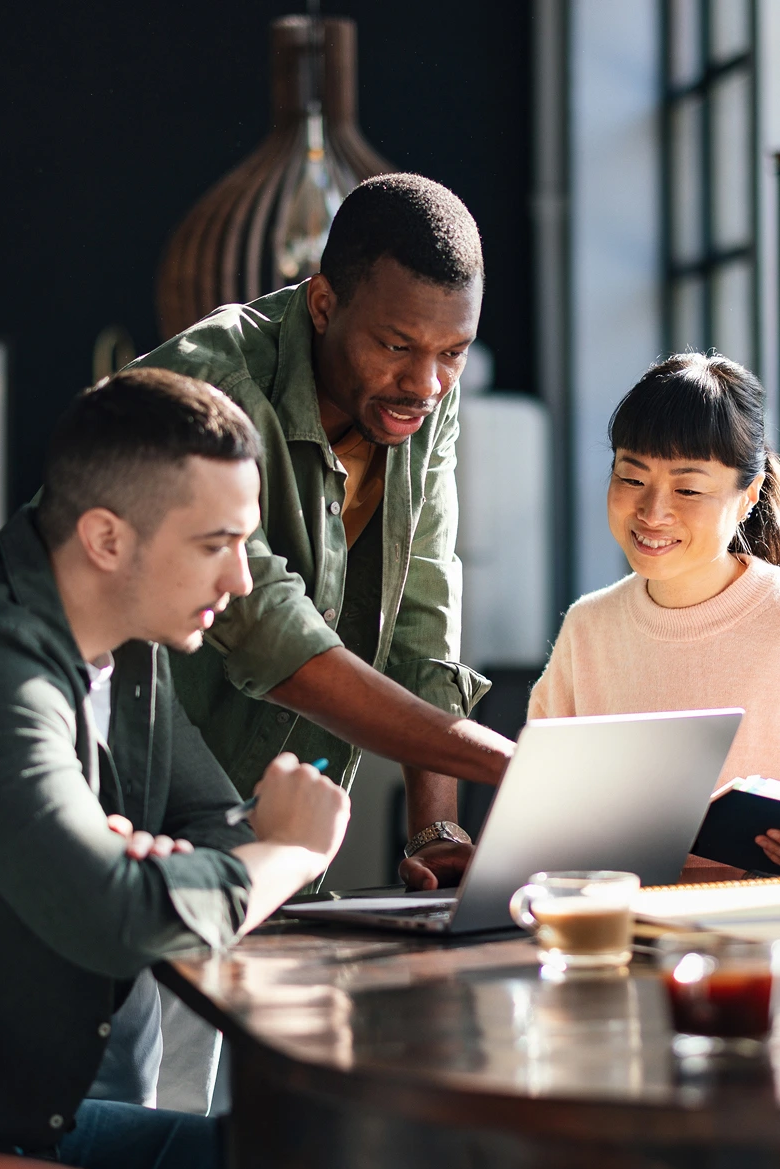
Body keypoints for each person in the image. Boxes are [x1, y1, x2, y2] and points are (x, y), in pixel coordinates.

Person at [0, 368, 350, 1169]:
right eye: (213, 543)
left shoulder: (129, 645)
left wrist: (163, 873)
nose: (238, 578)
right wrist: (294, 853)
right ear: (108, 537)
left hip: (34, 1116)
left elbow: (216, 824)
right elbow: (121, 916)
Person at [132, 172, 515, 893]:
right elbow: (273, 635)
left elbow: (421, 618)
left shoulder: (423, 399)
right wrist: (517, 769)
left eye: (452, 352)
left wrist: (437, 830)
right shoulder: (206, 388)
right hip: (125, 818)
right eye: (397, 345)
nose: (426, 383)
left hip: (274, 862)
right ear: (322, 302)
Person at [528, 350, 780, 872]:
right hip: (620, 930)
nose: (652, 511)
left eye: (688, 488)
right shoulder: (589, 629)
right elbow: (537, 815)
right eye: (632, 478)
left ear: (749, 496)